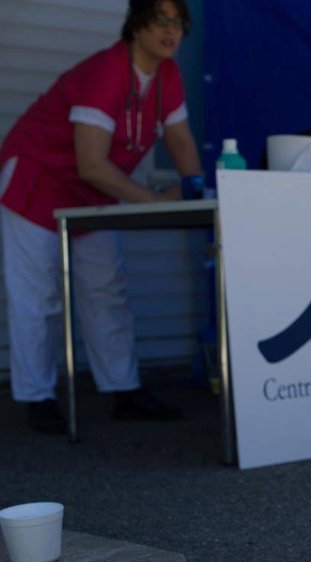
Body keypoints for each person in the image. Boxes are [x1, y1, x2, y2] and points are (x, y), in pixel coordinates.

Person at [0, 0, 203, 433]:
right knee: (38, 298)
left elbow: (181, 139)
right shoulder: (107, 70)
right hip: (37, 180)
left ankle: (123, 390)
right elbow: (91, 163)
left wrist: (195, 190)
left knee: (107, 289)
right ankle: (38, 398)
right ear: (136, 27)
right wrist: (154, 200)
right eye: (161, 21)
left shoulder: (168, 75)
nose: (172, 31)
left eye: (179, 23)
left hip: (94, 191)